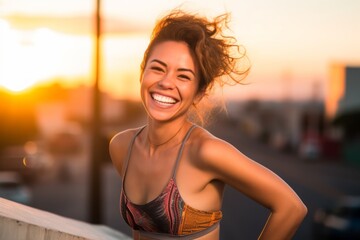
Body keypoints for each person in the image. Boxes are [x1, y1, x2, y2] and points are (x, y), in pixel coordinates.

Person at [109, 9, 307, 240]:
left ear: (199, 93)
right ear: (142, 73)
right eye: (158, 68)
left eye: (183, 76)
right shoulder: (122, 146)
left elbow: (291, 207)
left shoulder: (205, 151)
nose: (166, 82)